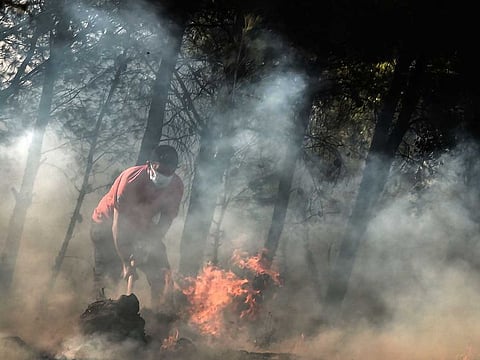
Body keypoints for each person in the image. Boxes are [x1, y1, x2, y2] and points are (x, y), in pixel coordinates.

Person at [90, 144, 184, 311]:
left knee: (161, 271)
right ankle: (101, 320)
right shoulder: (131, 179)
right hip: (106, 224)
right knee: (108, 276)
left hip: (142, 227)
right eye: (160, 170)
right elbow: (117, 227)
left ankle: (160, 317)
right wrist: (126, 262)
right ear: (149, 165)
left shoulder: (176, 186)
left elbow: (164, 222)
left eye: (169, 172)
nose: (164, 175)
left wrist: (149, 245)